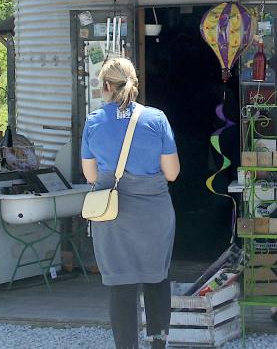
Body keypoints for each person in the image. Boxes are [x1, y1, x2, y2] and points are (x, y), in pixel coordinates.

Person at [81, 57, 180, 349]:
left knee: (121, 284)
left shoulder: (93, 121)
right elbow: (172, 173)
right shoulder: (157, 118)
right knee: (156, 278)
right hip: (153, 213)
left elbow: (90, 175)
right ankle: (158, 344)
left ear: (107, 86)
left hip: (112, 214)